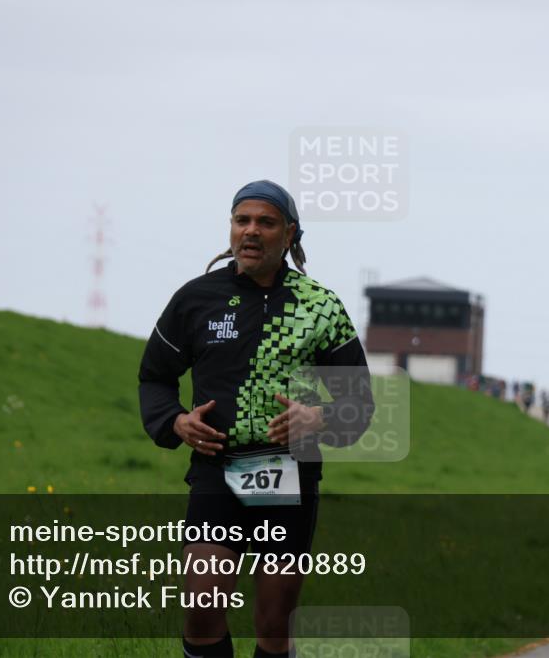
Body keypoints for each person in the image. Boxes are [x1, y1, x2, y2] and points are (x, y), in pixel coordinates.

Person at [138, 179, 375, 658]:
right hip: (216, 469)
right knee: (202, 603)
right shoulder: (196, 299)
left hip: (289, 474)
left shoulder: (320, 308)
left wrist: (319, 419)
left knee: (272, 623)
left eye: (265, 222)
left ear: (289, 235)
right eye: (240, 220)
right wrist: (176, 422)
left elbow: (360, 404)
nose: (250, 231)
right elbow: (154, 378)